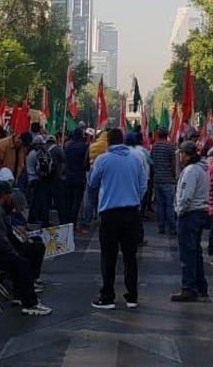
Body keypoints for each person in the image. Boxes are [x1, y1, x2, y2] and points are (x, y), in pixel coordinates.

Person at [0, 181, 51, 316]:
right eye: (10, 194)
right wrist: (15, 253)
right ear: (4, 196)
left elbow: (7, 234)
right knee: (22, 263)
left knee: (34, 247)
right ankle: (30, 304)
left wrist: (21, 244)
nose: (11, 197)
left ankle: (20, 294)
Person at [89, 128, 148, 310]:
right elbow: (143, 184)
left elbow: (93, 182)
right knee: (130, 257)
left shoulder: (103, 160)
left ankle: (107, 296)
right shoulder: (136, 159)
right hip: (131, 211)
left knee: (109, 256)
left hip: (110, 212)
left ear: (108, 142)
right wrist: (135, 198)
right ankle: (132, 296)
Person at [173, 141, 210, 301]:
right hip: (200, 212)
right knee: (195, 252)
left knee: (187, 253)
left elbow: (185, 195)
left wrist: (179, 211)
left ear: (185, 154)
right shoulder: (202, 169)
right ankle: (200, 285)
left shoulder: (190, 171)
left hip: (190, 214)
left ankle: (189, 287)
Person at [150, 127, 178, 235]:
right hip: (168, 180)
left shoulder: (155, 147)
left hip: (157, 179)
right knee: (170, 205)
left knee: (160, 205)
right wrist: (174, 176)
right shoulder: (170, 146)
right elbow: (173, 163)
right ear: (167, 135)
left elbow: (152, 162)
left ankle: (161, 227)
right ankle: (172, 228)